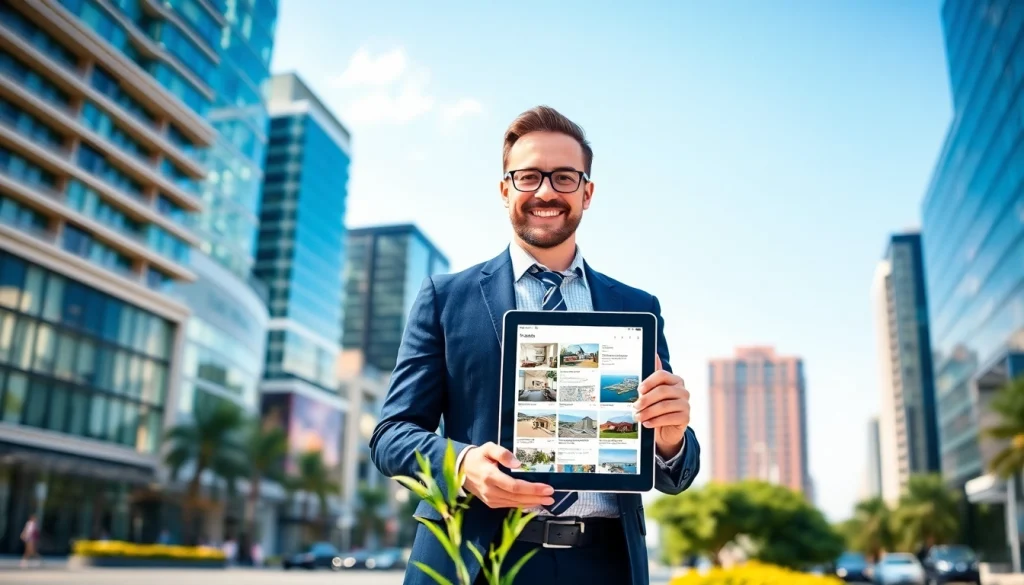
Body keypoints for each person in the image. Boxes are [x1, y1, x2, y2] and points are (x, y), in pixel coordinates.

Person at [371, 106, 700, 585]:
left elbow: (675, 473)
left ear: (587, 193)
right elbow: (390, 435)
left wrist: (670, 437)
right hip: (475, 560)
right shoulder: (446, 298)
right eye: (528, 177)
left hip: (603, 564)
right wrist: (461, 465)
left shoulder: (636, 307)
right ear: (505, 190)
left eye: (564, 177)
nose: (545, 191)